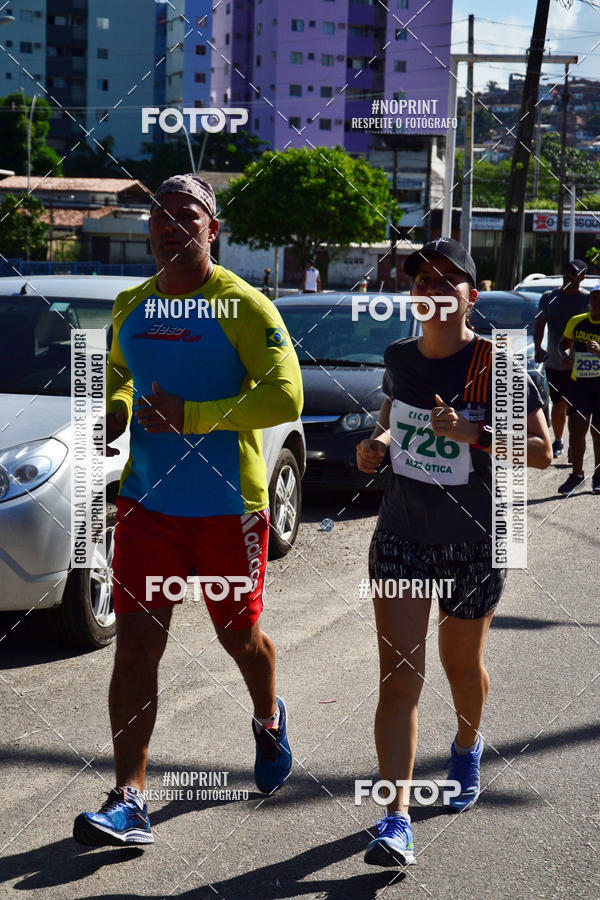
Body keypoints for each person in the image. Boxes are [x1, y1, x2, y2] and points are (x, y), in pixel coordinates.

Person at [73, 174, 303, 847]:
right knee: (138, 648)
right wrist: (110, 412)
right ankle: (130, 798)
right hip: (148, 504)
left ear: (213, 229)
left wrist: (195, 416)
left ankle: (268, 715)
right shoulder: (130, 306)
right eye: (159, 215)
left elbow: (285, 396)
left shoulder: (244, 305)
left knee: (240, 642)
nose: (171, 225)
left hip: (230, 509)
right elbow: (111, 375)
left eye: (187, 214)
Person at [356, 237, 552, 868]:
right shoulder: (397, 355)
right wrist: (377, 441)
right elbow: (394, 410)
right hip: (402, 535)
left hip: (473, 540)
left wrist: (477, 433)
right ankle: (396, 817)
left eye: (448, 279)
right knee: (399, 677)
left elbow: (544, 451)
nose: (433, 288)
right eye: (423, 279)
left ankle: (467, 744)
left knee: (460, 666)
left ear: (472, 293)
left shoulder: (495, 364)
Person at [534, 259, 589, 458]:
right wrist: (538, 348)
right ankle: (558, 440)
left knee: (577, 407)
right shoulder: (549, 297)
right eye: (566, 272)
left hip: (583, 365)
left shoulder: (588, 300)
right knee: (558, 404)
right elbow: (539, 324)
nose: (568, 276)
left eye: (573, 273)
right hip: (555, 363)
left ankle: (575, 445)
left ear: (582, 277)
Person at [557, 283, 600, 495]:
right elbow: (564, 343)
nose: (596, 303)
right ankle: (577, 475)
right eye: (594, 298)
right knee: (576, 430)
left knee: (598, 432)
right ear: (589, 301)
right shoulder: (577, 321)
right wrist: (566, 354)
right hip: (580, 383)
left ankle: (599, 476)